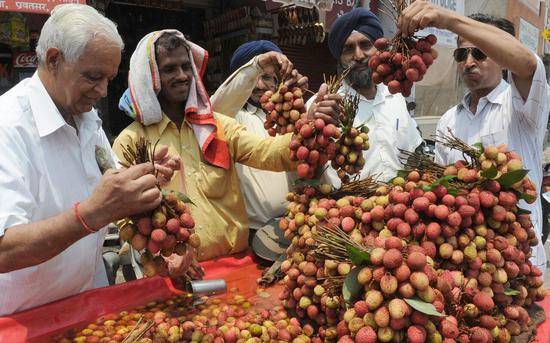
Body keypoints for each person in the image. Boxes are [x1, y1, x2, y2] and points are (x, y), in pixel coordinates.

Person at [0, 4, 179, 316]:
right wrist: (91, 215)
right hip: (23, 318)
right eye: (94, 76)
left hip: (85, 305)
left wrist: (140, 182)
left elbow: (108, 187)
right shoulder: (8, 126)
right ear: (54, 59)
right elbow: (5, 249)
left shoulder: (87, 120)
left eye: (109, 78)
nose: (103, 90)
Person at [113, 30, 324, 261]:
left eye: (186, 66)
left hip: (234, 264)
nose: (182, 75)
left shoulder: (217, 126)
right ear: (151, 77)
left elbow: (268, 153)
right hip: (171, 271)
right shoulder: (131, 141)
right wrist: (163, 255)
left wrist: (313, 127)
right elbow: (123, 216)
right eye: (169, 69)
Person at [398, 1, 549, 272]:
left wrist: (449, 19)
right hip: (465, 261)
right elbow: (443, 186)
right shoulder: (448, 120)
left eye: (480, 53)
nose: (469, 62)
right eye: (461, 54)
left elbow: (527, 63)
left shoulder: (522, 105)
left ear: (501, 57)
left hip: (519, 261)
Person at [308, 7, 423, 186]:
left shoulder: (395, 96)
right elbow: (308, 166)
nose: (359, 55)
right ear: (339, 58)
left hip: (400, 205)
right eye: (348, 49)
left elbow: (413, 150)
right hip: (347, 208)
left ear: (378, 50)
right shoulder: (324, 106)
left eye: (366, 45)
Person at [214, 40, 298, 241]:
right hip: (254, 233)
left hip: (296, 224)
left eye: (268, 77)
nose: (260, 85)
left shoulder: (290, 116)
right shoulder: (232, 118)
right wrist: (255, 67)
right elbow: (215, 110)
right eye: (254, 79)